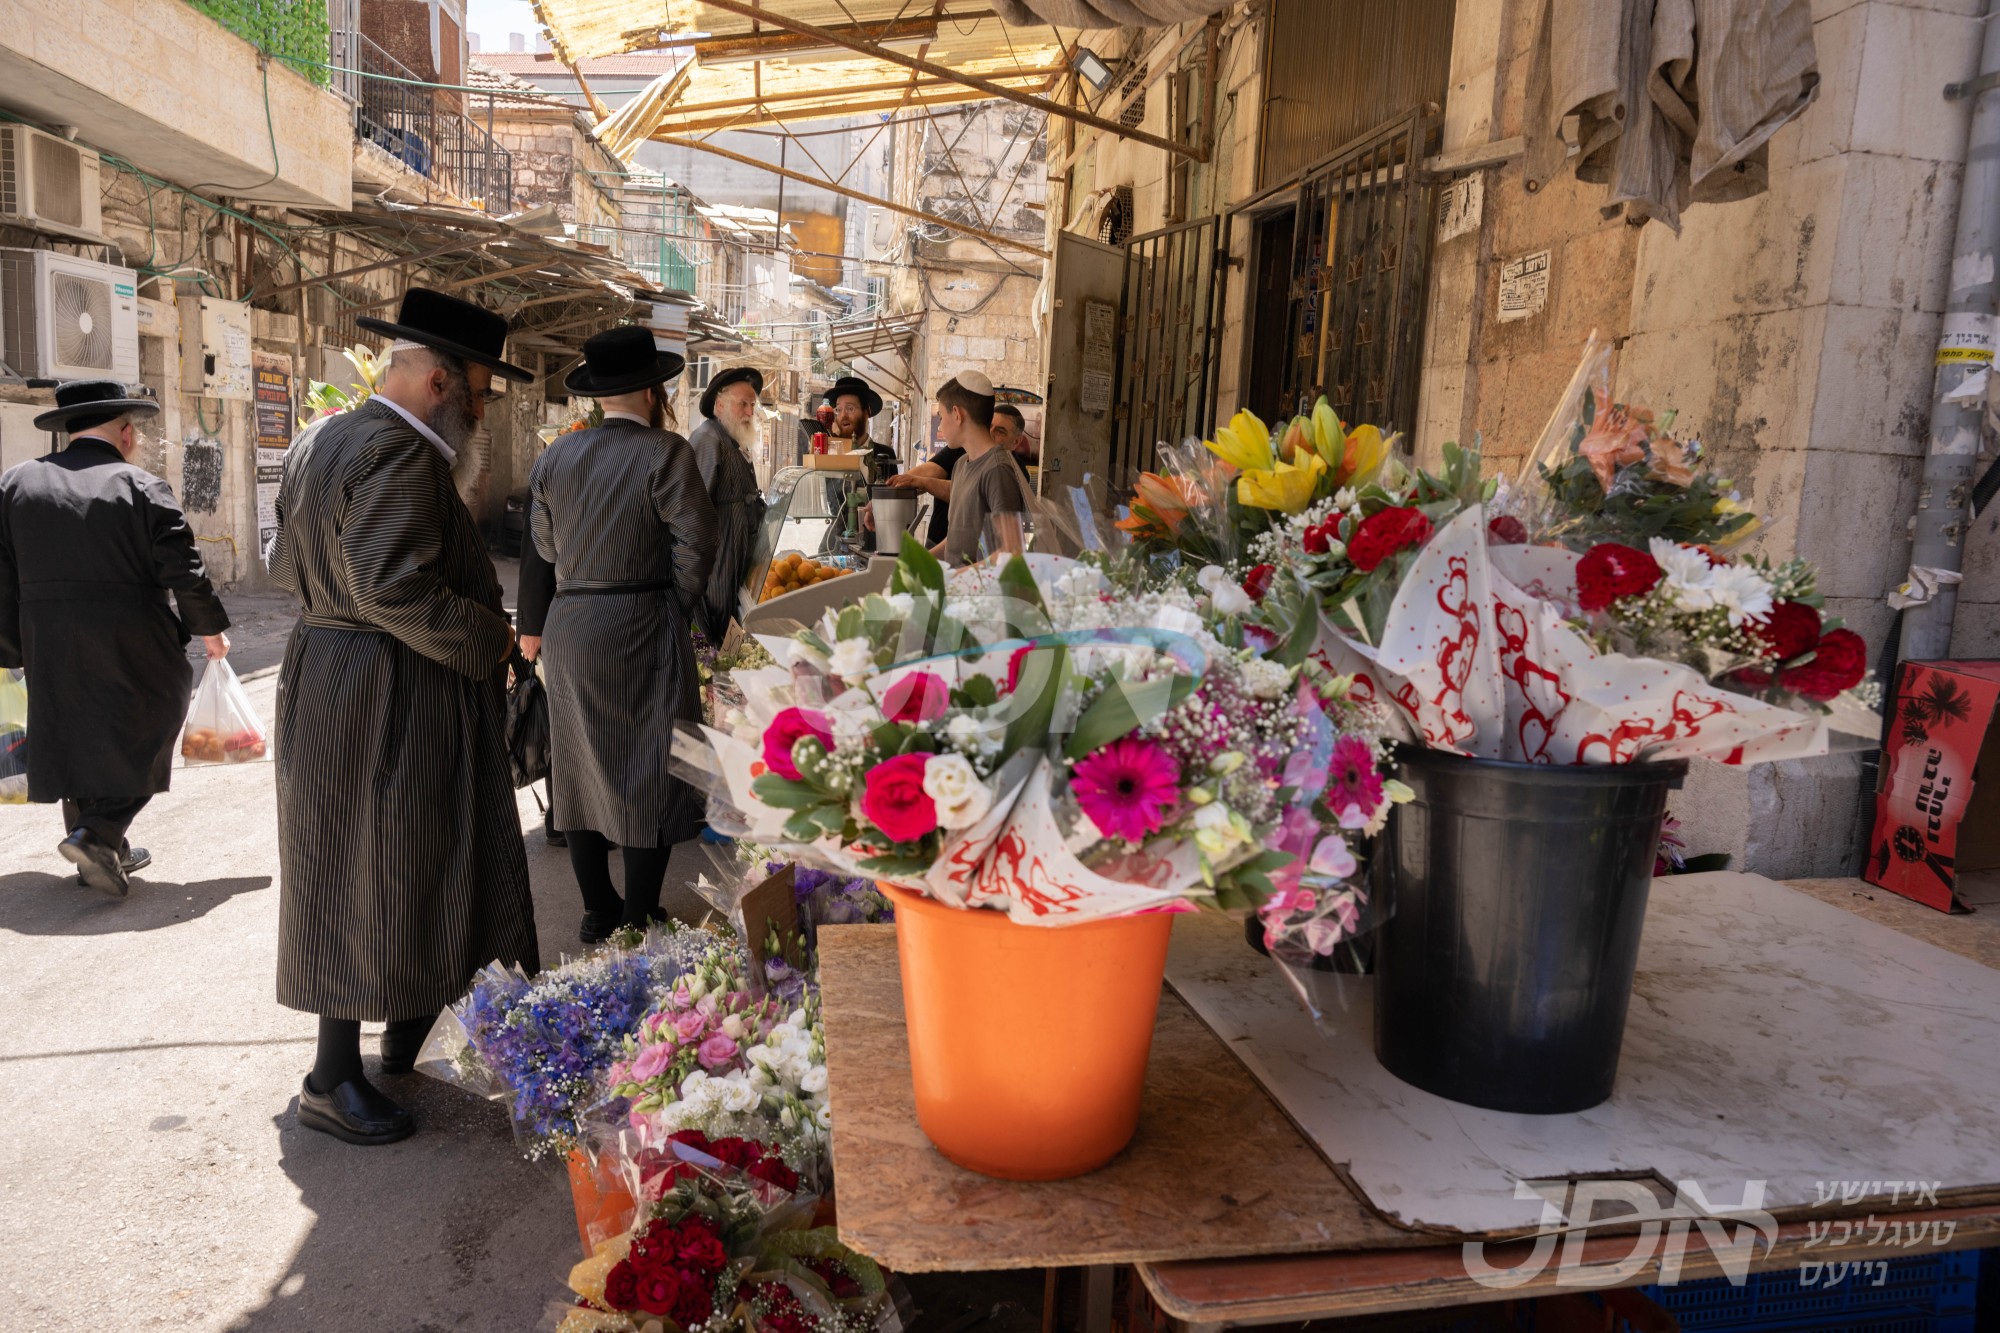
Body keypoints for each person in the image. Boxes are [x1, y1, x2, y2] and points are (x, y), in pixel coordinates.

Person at [268, 287, 539, 1147]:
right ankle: (329, 1075)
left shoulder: (327, 436)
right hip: (382, 684)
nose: (483, 412)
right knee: (365, 860)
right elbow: (393, 587)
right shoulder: (400, 455)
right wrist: (490, 638)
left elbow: (285, 558)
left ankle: (396, 1032)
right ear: (438, 384)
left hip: (332, 672)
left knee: (380, 854)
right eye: (481, 393)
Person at [0, 379, 231, 897]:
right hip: (133, 634)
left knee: (71, 724)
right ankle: (98, 833)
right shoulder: (142, 487)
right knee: (160, 712)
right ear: (126, 433)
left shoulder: (14, 485)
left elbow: (2, 575)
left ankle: (100, 850)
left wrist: (10, 647)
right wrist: (209, 629)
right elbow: (184, 570)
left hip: (47, 636)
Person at [530, 326, 717, 945]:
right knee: (649, 763)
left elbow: (546, 546)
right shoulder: (667, 452)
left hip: (570, 621)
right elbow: (697, 545)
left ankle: (597, 909)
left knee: (577, 761)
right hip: (638, 618)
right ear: (652, 389)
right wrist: (670, 604)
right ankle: (639, 911)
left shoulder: (555, 456)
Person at [688, 365, 767, 640]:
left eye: (752, 405)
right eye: (742, 404)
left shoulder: (734, 440)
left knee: (732, 633)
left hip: (736, 566)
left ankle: (727, 677)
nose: (749, 412)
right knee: (714, 637)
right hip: (716, 571)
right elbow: (693, 514)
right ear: (719, 405)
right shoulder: (708, 440)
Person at [933, 372, 1027, 566]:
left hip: (982, 594)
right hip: (957, 591)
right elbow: (957, 540)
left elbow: (1011, 550)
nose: (940, 425)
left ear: (957, 415)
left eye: (941, 416)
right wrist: (917, 560)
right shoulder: (960, 464)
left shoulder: (998, 470)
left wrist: (957, 577)